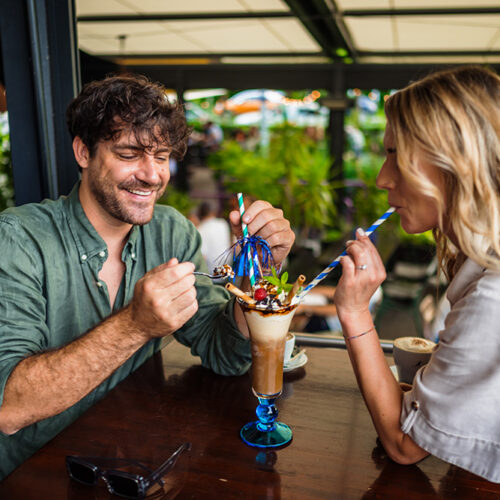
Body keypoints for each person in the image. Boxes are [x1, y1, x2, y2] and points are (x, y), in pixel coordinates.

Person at [0, 74, 294, 479]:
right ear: (83, 152)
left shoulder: (171, 232)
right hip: (33, 474)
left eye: (161, 155)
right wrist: (135, 326)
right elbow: (9, 408)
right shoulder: (17, 240)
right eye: (129, 154)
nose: (152, 175)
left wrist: (256, 276)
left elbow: (225, 354)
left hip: (130, 461)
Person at [333, 65, 500, 483]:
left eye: (395, 156)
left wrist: (355, 311)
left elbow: (405, 445)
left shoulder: (491, 298)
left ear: (454, 164)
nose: (381, 179)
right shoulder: (480, 265)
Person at [196, 201, 231, 275]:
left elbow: (202, 257)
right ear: (213, 212)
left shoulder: (201, 229)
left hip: (212, 275)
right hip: (227, 271)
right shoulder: (223, 223)